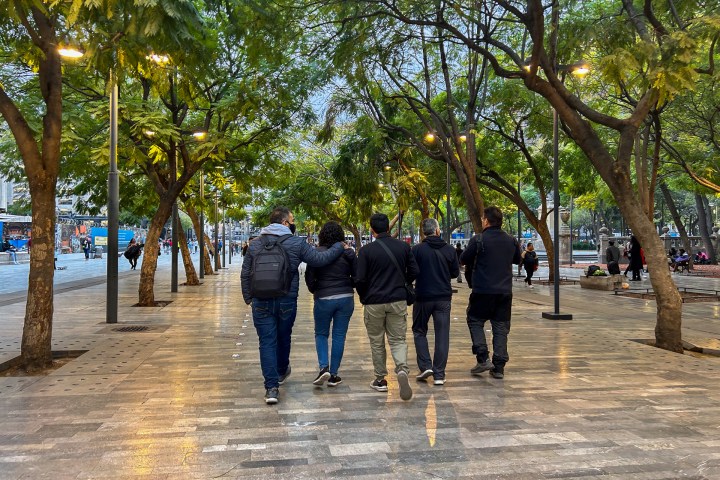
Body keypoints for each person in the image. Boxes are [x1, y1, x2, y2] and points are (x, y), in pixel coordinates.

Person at [241, 207, 346, 405]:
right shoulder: (296, 243)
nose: (294, 223)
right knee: (283, 337)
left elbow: (246, 273)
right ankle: (281, 370)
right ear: (284, 223)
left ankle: (271, 388)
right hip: (286, 300)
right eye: (292, 220)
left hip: (261, 301)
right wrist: (339, 247)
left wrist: (249, 298)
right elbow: (320, 259)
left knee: (267, 342)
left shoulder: (255, 245)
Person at [355, 213, 418, 401]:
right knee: (398, 339)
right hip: (397, 299)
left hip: (374, 301)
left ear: (371, 230)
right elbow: (415, 270)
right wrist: (403, 283)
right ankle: (401, 369)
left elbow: (359, 279)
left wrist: (364, 296)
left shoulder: (367, 251)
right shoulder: (403, 247)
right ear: (388, 228)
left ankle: (380, 379)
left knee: (377, 341)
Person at [460, 206, 521, 380]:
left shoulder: (478, 240)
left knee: (475, 320)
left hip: (482, 290)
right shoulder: (511, 240)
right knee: (500, 327)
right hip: (504, 292)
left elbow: (463, 259)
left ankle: (483, 357)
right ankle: (499, 366)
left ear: (486, 220)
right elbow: (517, 259)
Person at [304, 221, 357, 388]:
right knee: (339, 336)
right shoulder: (348, 253)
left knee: (321, 334)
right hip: (345, 297)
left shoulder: (316, 253)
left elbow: (309, 277)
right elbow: (357, 274)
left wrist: (316, 290)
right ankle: (334, 374)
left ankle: (323, 367)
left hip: (324, 298)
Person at [411, 219, 459, 386]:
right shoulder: (449, 250)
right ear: (438, 231)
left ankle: (425, 365)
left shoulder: (416, 250)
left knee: (419, 330)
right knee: (442, 335)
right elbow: (454, 273)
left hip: (422, 296)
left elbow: (411, 272)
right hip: (443, 298)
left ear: (424, 232)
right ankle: (439, 374)